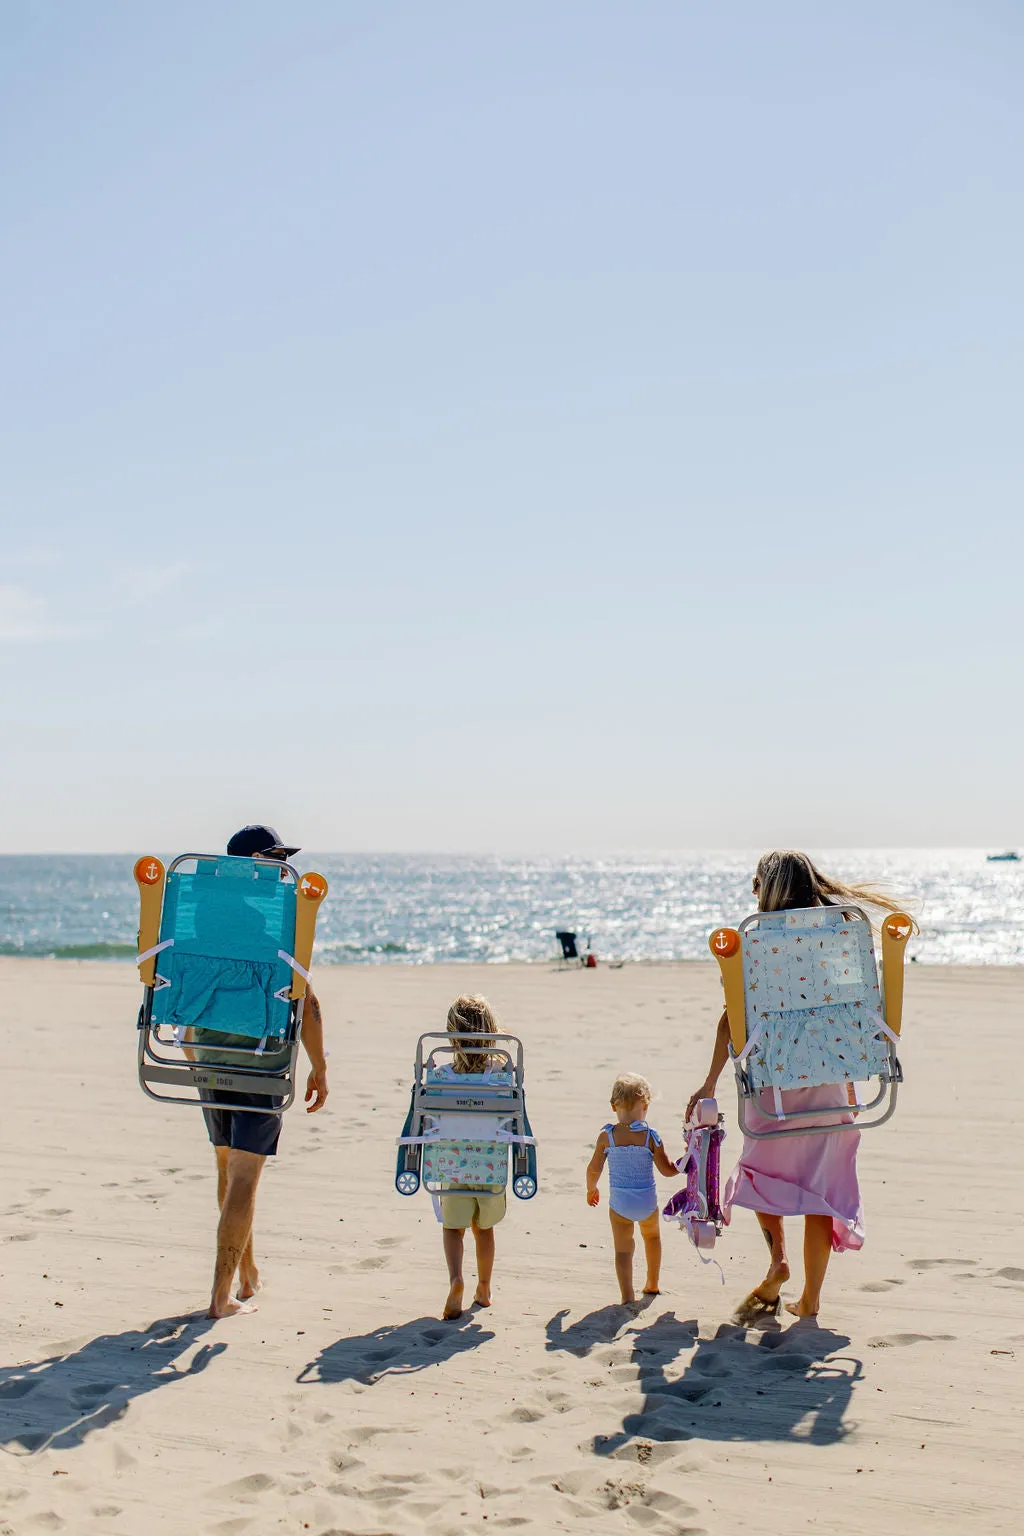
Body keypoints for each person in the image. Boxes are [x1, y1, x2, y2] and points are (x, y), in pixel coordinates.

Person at [687, 849, 912, 1320]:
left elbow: (734, 1021)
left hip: (775, 1088)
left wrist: (709, 1081)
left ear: (767, 889)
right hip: (833, 1082)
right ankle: (810, 1299)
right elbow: (858, 1006)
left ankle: (777, 1261)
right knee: (821, 1191)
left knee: (759, 1174)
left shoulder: (759, 940)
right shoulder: (842, 932)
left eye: (755, 884)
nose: (752, 893)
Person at [193, 825, 329, 1319]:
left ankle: (246, 1275)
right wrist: (319, 1066)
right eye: (275, 860)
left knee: (227, 1169)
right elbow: (306, 999)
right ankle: (219, 1296)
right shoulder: (272, 926)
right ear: (254, 862)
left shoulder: (196, 921)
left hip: (208, 1057)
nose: (281, 869)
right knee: (246, 1176)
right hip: (259, 1062)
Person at [439, 995, 506, 1321]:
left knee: (454, 1228)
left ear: (452, 1036)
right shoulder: (502, 1077)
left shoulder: (439, 1077)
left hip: (452, 1165)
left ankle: (456, 1279)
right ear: (491, 1033)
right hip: (490, 1169)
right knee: (484, 1228)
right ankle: (483, 1287)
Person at [586, 1073, 680, 1304]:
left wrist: (591, 1189)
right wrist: (685, 1163)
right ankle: (652, 1283)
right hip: (647, 1202)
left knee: (623, 1250)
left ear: (613, 1106)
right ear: (645, 1106)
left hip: (620, 1204)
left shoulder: (606, 1136)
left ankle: (627, 1295)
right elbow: (667, 1170)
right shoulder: (650, 1136)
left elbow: (593, 1169)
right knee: (652, 1238)